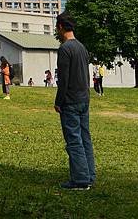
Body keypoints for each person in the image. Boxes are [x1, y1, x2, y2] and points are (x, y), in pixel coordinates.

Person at [54, 12, 96, 191]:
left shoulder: (65, 49)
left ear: (61, 27)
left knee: (74, 139)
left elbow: (63, 79)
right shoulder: (81, 47)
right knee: (85, 137)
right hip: (84, 98)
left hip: (70, 101)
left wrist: (58, 101)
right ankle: (89, 175)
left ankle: (80, 180)